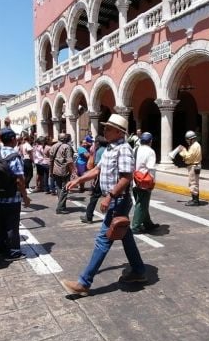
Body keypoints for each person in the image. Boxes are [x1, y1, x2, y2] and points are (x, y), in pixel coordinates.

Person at [62, 114, 147, 296]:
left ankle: (84, 282)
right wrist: (79, 180)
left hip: (119, 200)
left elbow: (126, 178)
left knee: (103, 239)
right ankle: (139, 271)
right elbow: (97, 169)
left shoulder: (123, 149)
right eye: (105, 127)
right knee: (125, 236)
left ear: (118, 131)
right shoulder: (109, 149)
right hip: (116, 200)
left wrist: (110, 196)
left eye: (108, 128)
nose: (104, 130)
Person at [0, 128, 31, 261]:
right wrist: (25, 197)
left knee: (0, 224)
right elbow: (20, 180)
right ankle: (14, 252)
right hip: (12, 198)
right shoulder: (14, 156)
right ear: (13, 139)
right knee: (12, 225)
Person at [131, 132, 159, 233]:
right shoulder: (150, 151)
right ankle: (135, 226)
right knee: (141, 204)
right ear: (150, 141)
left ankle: (147, 223)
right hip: (144, 181)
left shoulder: (135, 149)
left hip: (135, 180)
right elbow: (151, 168)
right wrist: (153, 181)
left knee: (142, 203)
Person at [80, 135, 108, 224]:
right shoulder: (107, 149)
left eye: (95, 142)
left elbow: (97, 167)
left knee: (94, 197)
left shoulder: (99, 151)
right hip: (108, 177)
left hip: (100, 177)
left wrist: (94, 179)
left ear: (98, 143)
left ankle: (88, 216)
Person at [49, 133, 74, 214]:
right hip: (64, 170)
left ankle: (62, 206)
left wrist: (51, 171)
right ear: (64, 139)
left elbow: (51, 160)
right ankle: (60, 207)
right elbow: (69, 160)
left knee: (59, 188)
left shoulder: (53, 146)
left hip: (55, 170)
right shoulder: (66, 147)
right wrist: (73, 171)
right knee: (65, 188)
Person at [179, 130, 203, 206]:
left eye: (188, 139)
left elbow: (189, 157)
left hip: (193, 166)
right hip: (193, 165)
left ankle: (195, 201)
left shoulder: (195, 146)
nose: (187, 141)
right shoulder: (194, 145)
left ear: (191, 139)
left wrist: (183, 151)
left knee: (193, 183)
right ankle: (194, 199)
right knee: (193, 182)